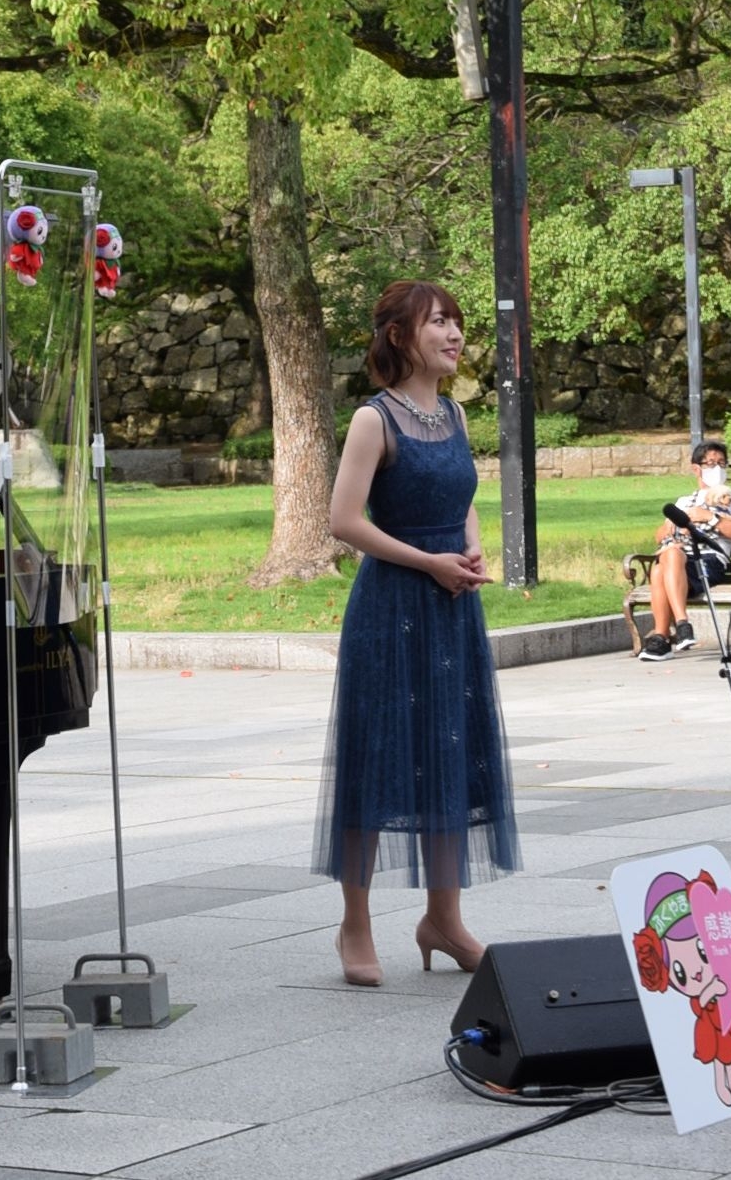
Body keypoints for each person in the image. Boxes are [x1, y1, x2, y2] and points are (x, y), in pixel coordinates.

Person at [316, 281, 519, 987]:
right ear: (401, 336)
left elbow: (462, 501)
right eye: (439, 322)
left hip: (451, 608)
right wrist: (429, 562)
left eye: (457, 322)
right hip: (391, 608)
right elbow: (344, 521)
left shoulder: (455, 414)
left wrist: (471, 549)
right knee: (376, 760)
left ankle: (443, 921)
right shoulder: (373, 420)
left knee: (449, 754)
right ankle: (355, 924)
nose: (455, 335)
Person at [641, 438, 731, 662]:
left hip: (709, 560)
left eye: (722, 463)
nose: (717, 468)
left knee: (661, 569)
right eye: (711, 463)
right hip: (680, 559)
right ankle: (681, 627)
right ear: (696, 468)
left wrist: (709, 517)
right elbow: (659, 536)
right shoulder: (683, 501)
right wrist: (672, 527)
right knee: (666, 560)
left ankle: (664, 636)